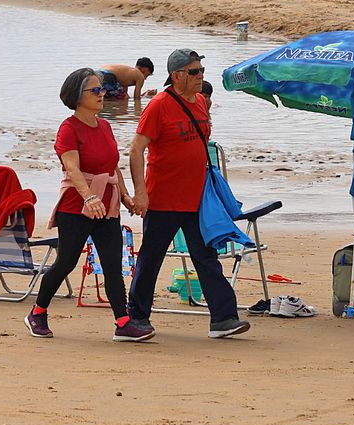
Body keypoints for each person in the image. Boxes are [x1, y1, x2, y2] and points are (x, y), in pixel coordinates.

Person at [126, 49, 249, 339]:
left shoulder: (201, 104)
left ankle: (223, 318)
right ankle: (136, 318)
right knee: (151, 259)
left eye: (201, 71)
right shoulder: (158, 106)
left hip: (197, 199)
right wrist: (140, 192)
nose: (200, 76)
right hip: (164, 198)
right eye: (194, 72)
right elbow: (135, 150)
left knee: (206, 257)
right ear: (177, 75)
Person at [24, 68, 152, 341]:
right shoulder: (68, 129)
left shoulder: (104, 125)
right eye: (95, 90)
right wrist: (89, 197)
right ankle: (37, 311)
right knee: (66, 262)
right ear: (77, 96)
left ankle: (123, 322)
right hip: (76, 206)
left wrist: (126, 196)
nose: (102, 94)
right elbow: (72, 168)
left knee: (112, 264)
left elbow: (113, 166)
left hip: (108, 204)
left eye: (101, 89)